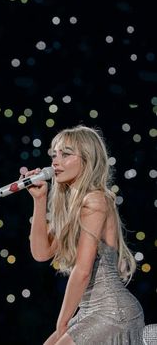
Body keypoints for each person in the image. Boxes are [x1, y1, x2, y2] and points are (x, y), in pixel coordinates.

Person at [25, 124, 145, 344]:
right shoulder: (73, 207)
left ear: (87, 160)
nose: (55, 161)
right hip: (89, 311)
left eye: (66, 154)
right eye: (54, 155)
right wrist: (39, 200)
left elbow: (82, 270)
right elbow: (41, 253)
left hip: (112, 312)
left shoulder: (96, 199)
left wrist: (62, 322)